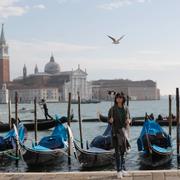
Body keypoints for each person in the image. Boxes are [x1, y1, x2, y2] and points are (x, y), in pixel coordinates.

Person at [108, 92, 131, 179]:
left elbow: (129, 118)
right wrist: (110, 120)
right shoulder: (112, 109)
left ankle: (123, 169)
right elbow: (108, 120)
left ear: (123, 99)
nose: (119, 99)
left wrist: (129, 121)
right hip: (115, 132)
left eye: (121, 97)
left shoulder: (126, 108)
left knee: (123, 151)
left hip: (124, 132)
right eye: (117, 97)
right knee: (117, 152)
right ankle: (118, 171)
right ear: (116, 99)